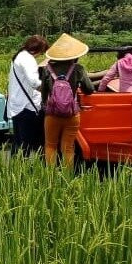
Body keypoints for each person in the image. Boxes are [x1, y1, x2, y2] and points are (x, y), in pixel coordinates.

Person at [40, 33, 94, 167]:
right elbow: (89, 89)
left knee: (50, 146)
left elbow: (43, 93)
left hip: (52, 114)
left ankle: (50, 177)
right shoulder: (78, 69)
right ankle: (67, 176)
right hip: (72, 114)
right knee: (68, 147)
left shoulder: (48, 69)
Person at [7, 34, 48, 155]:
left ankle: (16, 168)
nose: (40, 55)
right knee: (27, 143)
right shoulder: (28, 59)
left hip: (16, 105)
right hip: (26, 106)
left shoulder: (19, 56)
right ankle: (25, 170)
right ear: (37, 50)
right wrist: (49, 88)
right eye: (41, 52)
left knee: (18, 141)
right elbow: (34, 82)